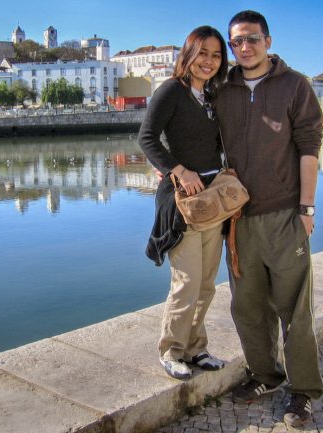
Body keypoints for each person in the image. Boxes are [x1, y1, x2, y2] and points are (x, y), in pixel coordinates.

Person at [214, 10, 323, 428]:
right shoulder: (222, 88)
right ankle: (265, 375)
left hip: (284, 214)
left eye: (252, 39)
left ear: (269, 41)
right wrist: (167, 163)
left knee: (296, 309)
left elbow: (310, 149)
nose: (244, 47)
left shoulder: (295, 86)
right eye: (237, 42)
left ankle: (304, 392)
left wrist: (307, 209)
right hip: (239, 218)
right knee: (247, 306)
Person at [138, 25, 229, 380]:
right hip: (184, 200)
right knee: (187, 280)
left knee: (207, 282)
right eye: (202, 53)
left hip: (213, 199)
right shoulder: (171, 91)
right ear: (188, 55)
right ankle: (171, 351)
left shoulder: (211, 95)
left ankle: (196, 348)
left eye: (216, 55)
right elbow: (146, 138)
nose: (208, 61)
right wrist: (177, 169)